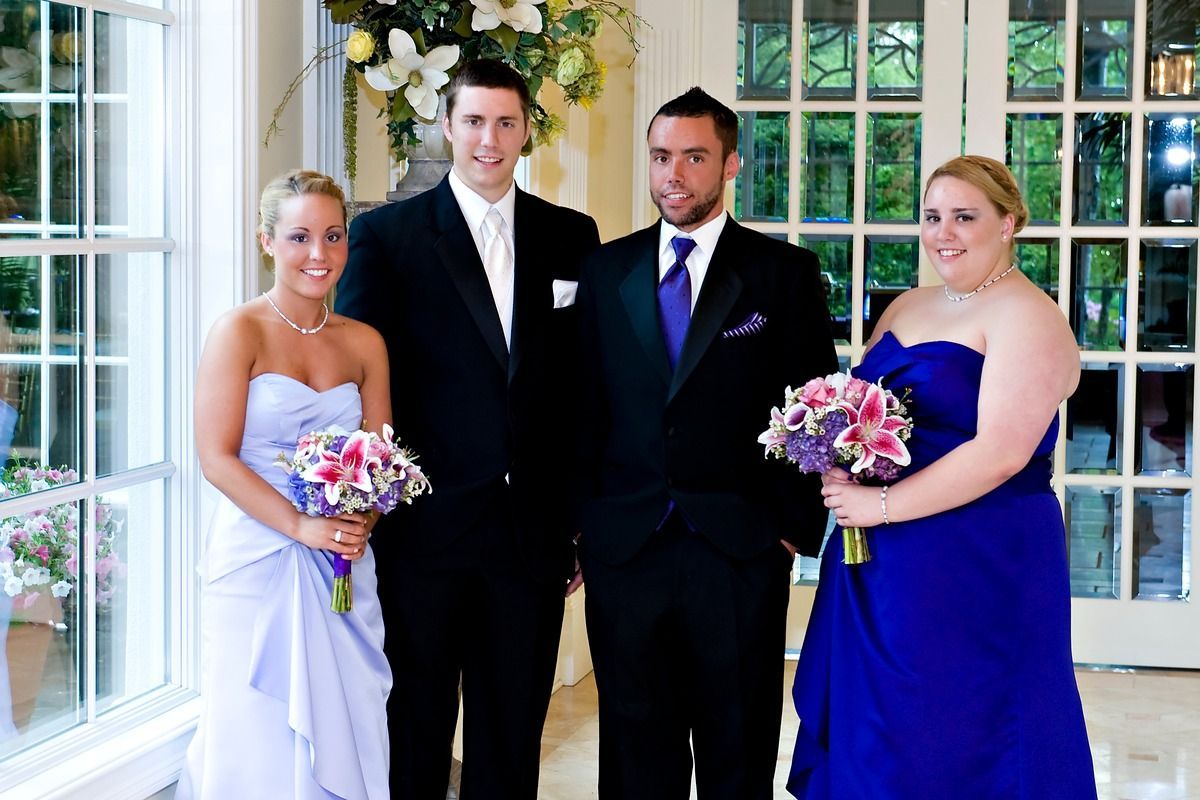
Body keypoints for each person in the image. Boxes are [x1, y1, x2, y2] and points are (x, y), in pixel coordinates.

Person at [788, 155, 1097, 798]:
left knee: (960, 721)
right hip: (883, 560)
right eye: (932, 217)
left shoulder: (1028, 315)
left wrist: (881, 507)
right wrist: (836, 447)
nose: (943, 232)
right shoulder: (908, 304)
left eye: (965, 216)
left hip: (977, 555)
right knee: (884, 722)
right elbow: (864, 404)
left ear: (1008, 222)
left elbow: (1002, 453)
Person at [335, 59, 601, 799]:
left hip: (532, 536)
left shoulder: (572, 235)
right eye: (475, 121)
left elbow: (585, 387)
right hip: (424, 532)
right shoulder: (386, 237)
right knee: (415, 728)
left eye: (506, 123)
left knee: (512, 735)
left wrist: (577, 519)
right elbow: (359, 381)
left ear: (527, 132)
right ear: (447, 125)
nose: (490, 139)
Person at [573, 87, 838, 799]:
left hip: (740, 549)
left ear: (730, 166)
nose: (674, 176)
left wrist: (788, 530)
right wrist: (583, 530)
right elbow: (580, 406)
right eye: (662, 157)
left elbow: (814, 407)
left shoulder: (782, 275)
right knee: (634, 756)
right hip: (627, 546)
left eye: (694, 158)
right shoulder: (607, 272)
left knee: (737, 747)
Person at [178, 170, 392, 799]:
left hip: (340, 567)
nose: (319, 255)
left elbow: (378, 458)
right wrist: (301, 526)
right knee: (254, 731)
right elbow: (216, 458)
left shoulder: (365, 343)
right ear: (266, 241)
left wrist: (361, 523)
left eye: (333, 236)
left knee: (347, 716)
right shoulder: (237, 331)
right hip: (255, 559)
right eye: (299, 237)